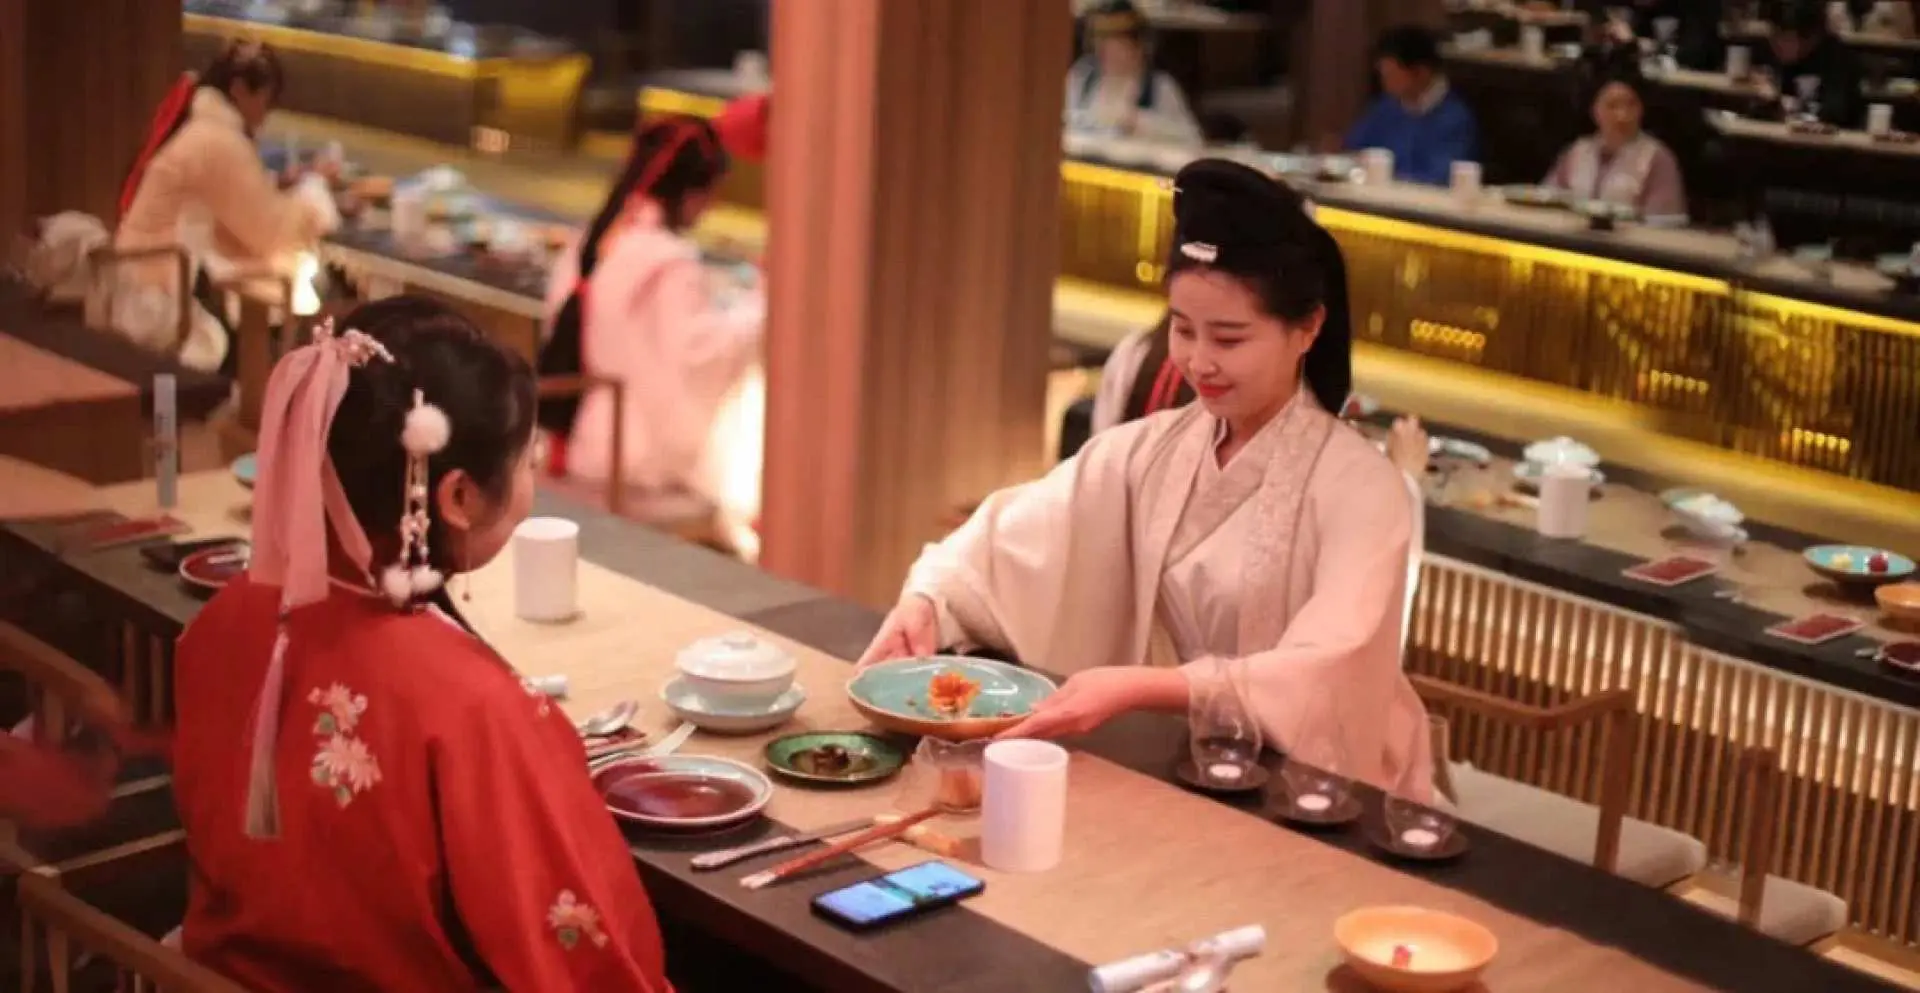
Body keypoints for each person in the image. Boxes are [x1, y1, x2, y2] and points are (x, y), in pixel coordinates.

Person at [860, 159, 1435, 799]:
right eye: (1184, 331)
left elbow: (1330, 666)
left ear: (1308, 328)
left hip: (1331, 788)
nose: (1198, 361)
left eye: (1230, 337)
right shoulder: (1154, 452)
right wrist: (928, 603)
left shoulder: (1363, 488)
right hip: (1195, 762)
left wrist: (1142, 687)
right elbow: (1004, 545)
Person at [170, 298, 673, 992]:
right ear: (458, 494)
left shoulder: (221, 622)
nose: (532, 482)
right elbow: (581, 961)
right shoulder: (474, 710)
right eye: (527, 462)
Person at [538, 116, 764, 556]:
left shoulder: (595, 238)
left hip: (580, 433)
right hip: (633, 453)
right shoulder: (668, 260)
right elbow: (704, 354)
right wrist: (761, 303)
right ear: (692, 191)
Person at [114, 40, 338, 373]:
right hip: (160, 289)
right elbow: (270, 231)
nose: (265, 113)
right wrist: (314, 190)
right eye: (265, 99)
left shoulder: (205, 131)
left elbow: (238, 204)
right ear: (238, 90)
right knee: (303, 277)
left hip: (144, 274)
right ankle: (265, 400)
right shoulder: (218, 140)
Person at [1343, 26, 1480, 186]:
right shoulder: (1385, 107)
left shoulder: (1455, 120)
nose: (1385, 83)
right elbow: (1352, 151)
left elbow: (1438, 179)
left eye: (1391, 75)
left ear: (1421, 73)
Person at [1544, 72, 1688, 219]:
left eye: (1631, 105)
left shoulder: (1658, 158)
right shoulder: (1576, 152)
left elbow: (1664, 221)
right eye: (1612, 106)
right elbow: (1549, 202)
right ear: (1595, 111)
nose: (1622, 115)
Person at [1065, 0, 1205, 145]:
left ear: (1139, 46)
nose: (1103, 51)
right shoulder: (1081, 78)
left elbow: (1193, 140)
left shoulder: (1160, 87)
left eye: (1114, 43)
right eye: (1099, 41)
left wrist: (1140, 122)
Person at [1766, 0, 1868, 127]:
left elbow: (1834, 114)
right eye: (1773, 35)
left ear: (1813, 38)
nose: (1775, 44)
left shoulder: (1839, 59)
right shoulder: (1776, 59)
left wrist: (1780, 102)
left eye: (1783, 38)